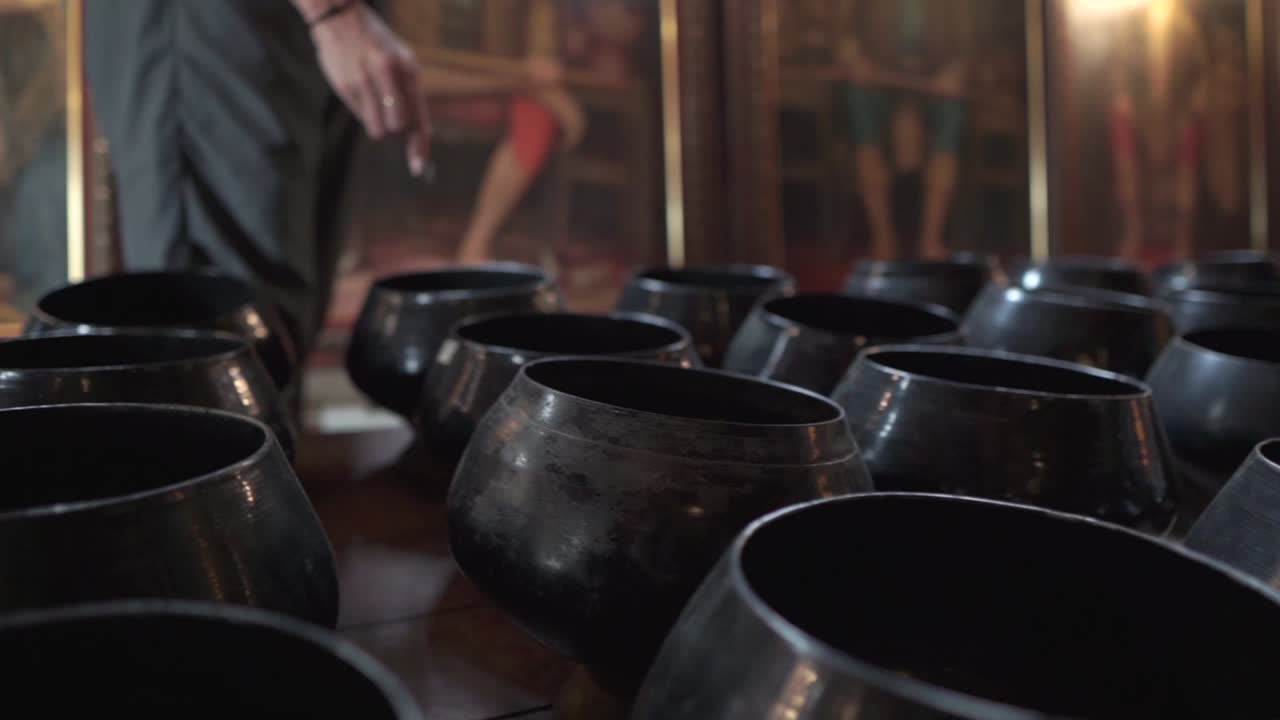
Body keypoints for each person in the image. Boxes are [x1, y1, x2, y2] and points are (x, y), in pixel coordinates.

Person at [85, 0, 432, 359]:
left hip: (290, 21)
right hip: (209, 27)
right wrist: (333, 13)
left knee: (278, 334)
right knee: (221, 347)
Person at [836, 0, 973, 260]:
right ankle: (883, 238)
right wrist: (856, 60)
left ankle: (930, 240)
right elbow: (847, 40)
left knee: (953, 110)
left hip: (934, 86)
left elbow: (965, 48)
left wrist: (956, 71)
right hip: (879, 83)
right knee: (858, 99)